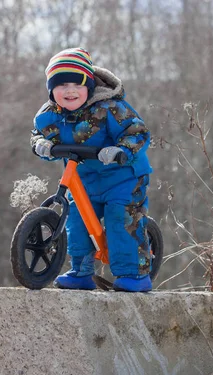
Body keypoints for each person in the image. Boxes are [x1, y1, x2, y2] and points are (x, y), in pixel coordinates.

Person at [31, 47, 153, 292]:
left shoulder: (110, 108)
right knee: (75, 220)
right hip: (84, 178)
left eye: (77, 83)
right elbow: (38, 135)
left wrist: (120, 150)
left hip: (122, 176)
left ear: (89, 85)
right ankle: (81, 271)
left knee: (120, 216)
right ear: (51, 90)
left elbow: (137, 132)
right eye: (61, 84)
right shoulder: (49, 115)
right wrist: (42, 145)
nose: (70, 90)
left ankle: (134, 274)